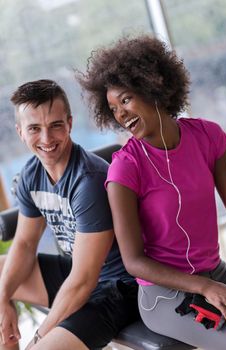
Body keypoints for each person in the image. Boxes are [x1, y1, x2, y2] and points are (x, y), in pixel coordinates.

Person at [77, 35, 226, 349]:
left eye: (125, 99)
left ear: (153, 86)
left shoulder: (207, 136)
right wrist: (204, 286)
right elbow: (134, 261)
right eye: (112, 108)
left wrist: (209, 282)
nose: (120, 114)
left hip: (214, 273)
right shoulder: (125, 168)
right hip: (164, 297)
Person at [0, 79, 139, 350]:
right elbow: (26, 244)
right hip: (76, 273)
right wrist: (3, 300)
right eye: (34, 129)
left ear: (70, 124)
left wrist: (39, 337)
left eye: (55, 125)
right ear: (20, 132)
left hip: (116, 289)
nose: (46, 139)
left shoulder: (89, 180)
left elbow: (84, 279)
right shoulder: (32, 174)